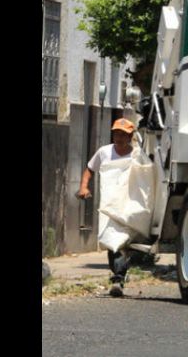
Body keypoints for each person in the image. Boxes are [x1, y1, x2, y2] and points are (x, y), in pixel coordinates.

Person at [77, 118, 136, 297]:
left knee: (128, 241)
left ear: (130, 137)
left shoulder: (136, 155)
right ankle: (118, 278)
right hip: (110, 204)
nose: (119, 137)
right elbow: (89, 169)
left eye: (123, 134)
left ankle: (121, 273)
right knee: (112, 239)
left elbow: (146, 175)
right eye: (116, 133)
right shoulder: (104, 152)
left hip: (130, 204)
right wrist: (83, 187)